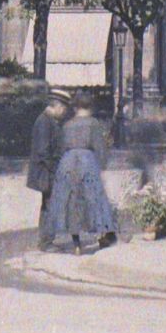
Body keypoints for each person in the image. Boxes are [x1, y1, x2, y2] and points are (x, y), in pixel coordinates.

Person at [39, 91, 116, 252]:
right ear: (90, 107)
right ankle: (103, 236)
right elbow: (100, 148)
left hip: (67, 163)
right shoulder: (93, 123)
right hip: (87, 162)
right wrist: (101, 165)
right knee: (94, 200)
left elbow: (61, 148)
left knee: (72, 202)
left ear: (75, 108)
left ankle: (76, 244)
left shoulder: (67, 125)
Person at [25, 92, 69, 217]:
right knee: (49, 205)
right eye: (64, 109)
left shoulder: (48, 120)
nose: (64, 113)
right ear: (58, 106)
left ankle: (47, 234)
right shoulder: (45, 122)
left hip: (48, 171)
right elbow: (43, 151)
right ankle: (47, 235)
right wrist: (55, 170)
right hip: (47, 172)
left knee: (49, 204)